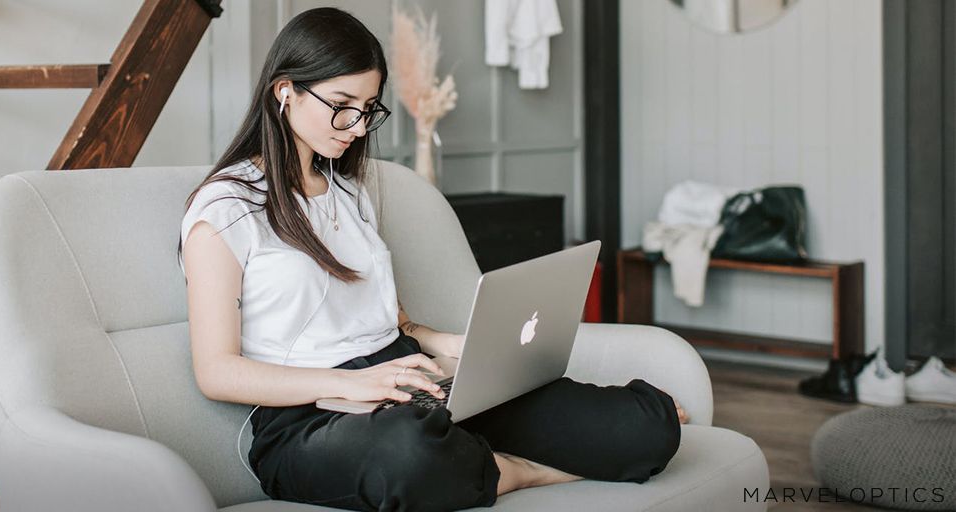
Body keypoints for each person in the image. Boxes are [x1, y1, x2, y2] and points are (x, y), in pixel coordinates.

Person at [178, 7, 687, 511]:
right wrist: (352, 383)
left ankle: (480, 459)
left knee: (643, 426)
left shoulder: (347, 191)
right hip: (310, 418)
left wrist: (458, 346)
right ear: (284, 91)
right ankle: (521, 472)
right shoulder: (225, 210)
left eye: (368, 107)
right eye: (341, 104)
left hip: (407, 381)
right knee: (411, 453)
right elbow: (217, 370)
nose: (356, 126)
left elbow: (394, 321)